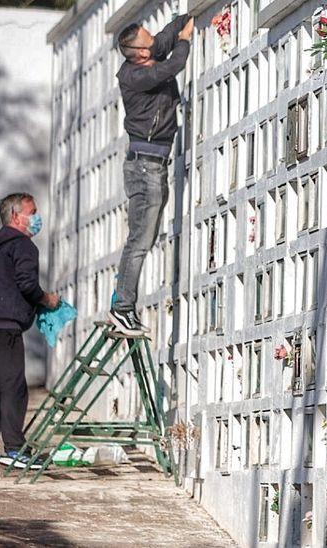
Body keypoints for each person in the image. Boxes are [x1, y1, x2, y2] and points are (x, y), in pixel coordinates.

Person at [109, 14, 193, 336]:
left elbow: (164, 38)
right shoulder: (136, 77)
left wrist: (187, 17)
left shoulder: (145, 56)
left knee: (141, 241)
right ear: (140, 54)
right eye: (148, 43)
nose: (154, 44)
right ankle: (122, 309)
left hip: (151, 164)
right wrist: (184, 41)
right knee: (139, 242)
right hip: (145, 167)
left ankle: (123, 305)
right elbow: (171, 66)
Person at [0, 193, 60, 469]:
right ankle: (15, 449)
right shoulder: (22, 245)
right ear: (17, 216)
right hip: (4, 327)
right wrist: (48, 300)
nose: (38, 216)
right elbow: (27, 284)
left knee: (1, 387)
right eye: (33, 211)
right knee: (15, 387)